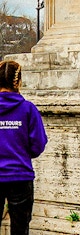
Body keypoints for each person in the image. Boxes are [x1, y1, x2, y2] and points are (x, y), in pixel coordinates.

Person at [0, 61, 47, 235]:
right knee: (20, 229)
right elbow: (38, 145)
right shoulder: (28, 109)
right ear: (18, 82)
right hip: (20, 176)